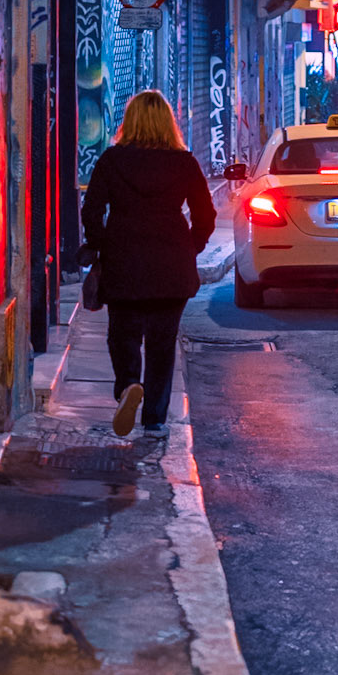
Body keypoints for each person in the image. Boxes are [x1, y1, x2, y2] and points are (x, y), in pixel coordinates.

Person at [80, 89, 216, 437]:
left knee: (122, 336)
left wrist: (99, 245)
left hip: (124, 261)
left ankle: (128, 385)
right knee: (162, 344)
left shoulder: (112, 160)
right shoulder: (184, 162)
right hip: (172, 265)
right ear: (167, 123)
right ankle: (155, 421)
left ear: (131, 121)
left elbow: (91, 210)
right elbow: (205, 214)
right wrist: (191, 248)